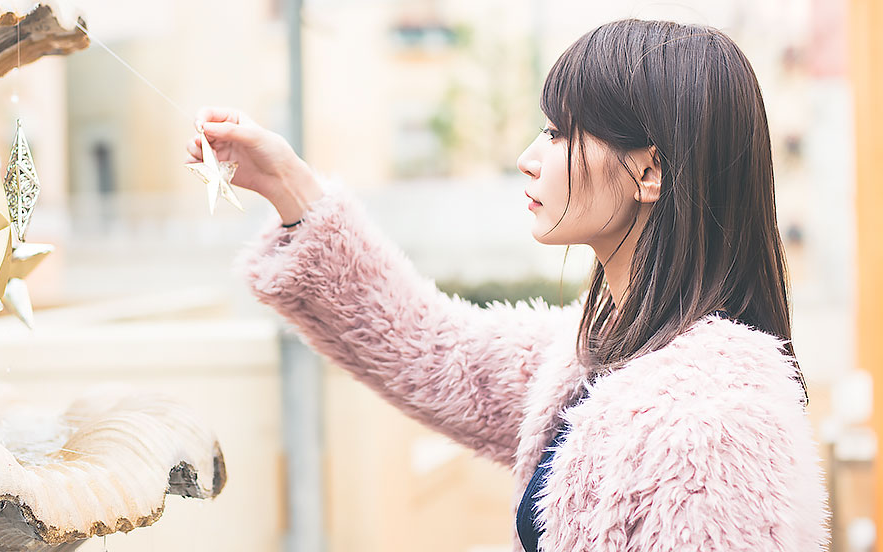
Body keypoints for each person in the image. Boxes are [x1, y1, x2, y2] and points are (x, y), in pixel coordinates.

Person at [186, 18, 828, 552]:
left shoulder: (714, 428)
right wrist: (287, 184)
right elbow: (434, 350)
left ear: (648, 170)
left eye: (557, 132)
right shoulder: (607, 357)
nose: (529, 155)